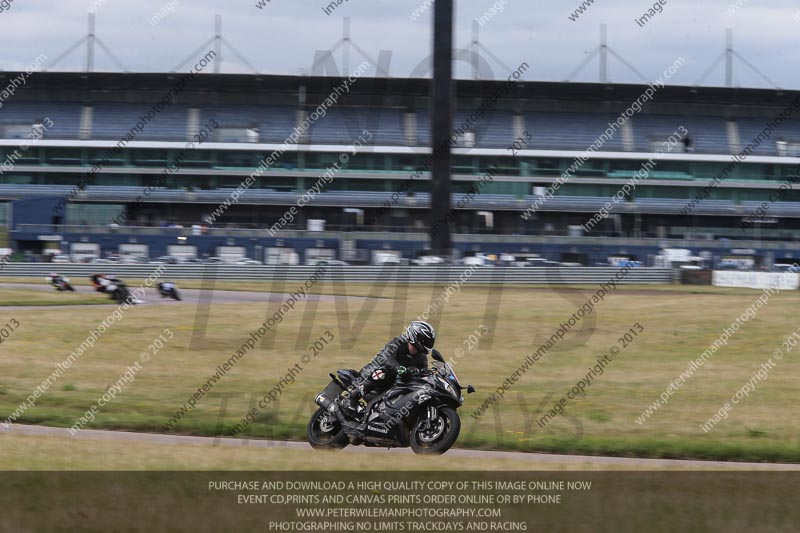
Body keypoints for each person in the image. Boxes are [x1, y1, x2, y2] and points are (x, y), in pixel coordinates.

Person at [337, 320, 436, 420]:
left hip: (393, 385)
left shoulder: (421, 357)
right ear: (417, 337)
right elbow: (386, 358)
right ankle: (352, 398)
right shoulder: (399, 342)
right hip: (372, 375)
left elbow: (423, 372)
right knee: (384, 372)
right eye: (427, 341)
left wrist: (424, 373)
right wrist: (399, 369)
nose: (429, 344)